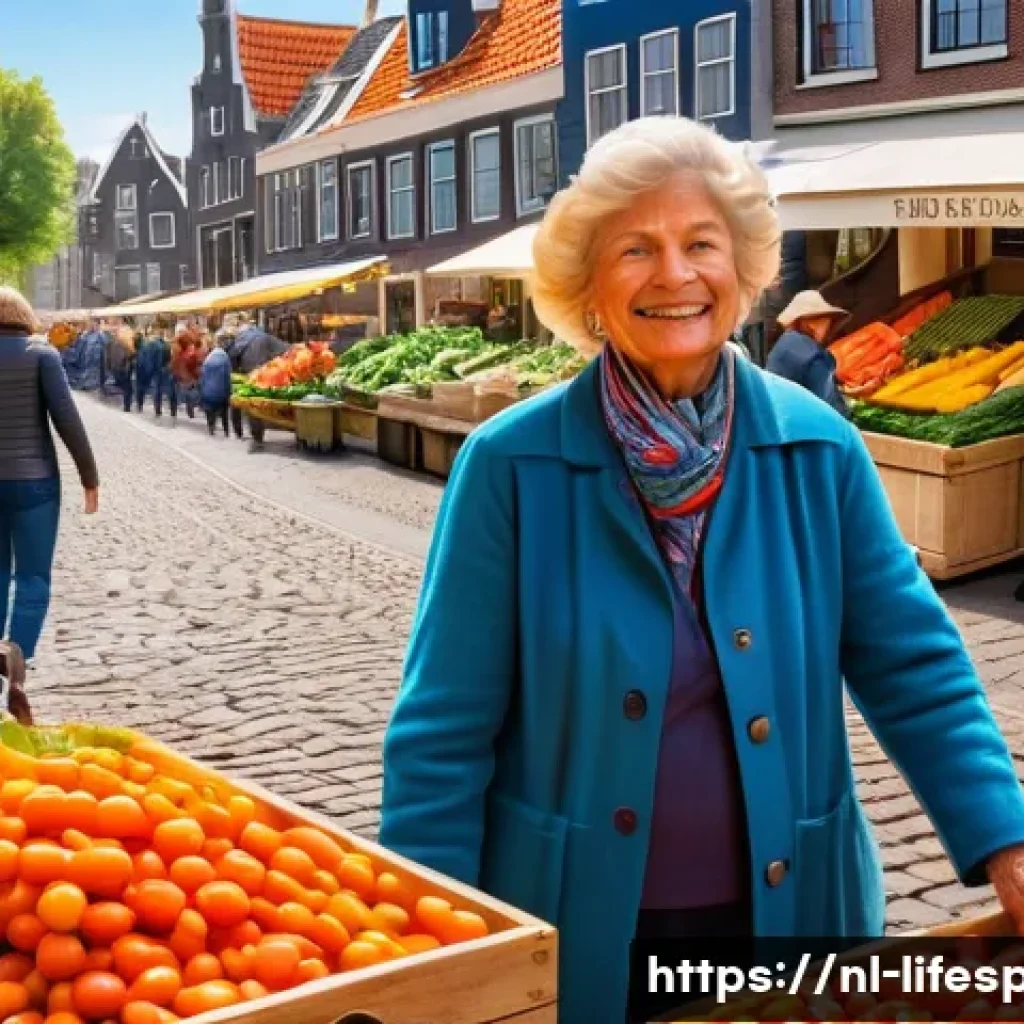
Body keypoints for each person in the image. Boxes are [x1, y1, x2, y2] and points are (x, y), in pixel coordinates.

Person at [377, 116, 1024, 1023]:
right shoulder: (511, 466)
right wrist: (426, 949)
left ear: (744, 271)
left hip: (791, 915)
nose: (675, 275)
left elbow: (914, 664)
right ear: (589, 286)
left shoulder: (817, 444)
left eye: (701, 244)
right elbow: (442, 732)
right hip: (572, 919)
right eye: (636, 248)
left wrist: (1007, 838)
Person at [0, 287, 99, 666]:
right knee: (33, 577)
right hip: (34, 484)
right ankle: (17, 660)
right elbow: (67, 421)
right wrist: (89, 478)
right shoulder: (42, 356)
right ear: (25, 318)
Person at [766, 290, 850, 417]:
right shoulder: (815, 357)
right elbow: (826, 407)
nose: (828, 326)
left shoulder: (783, 345)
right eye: (825, 320)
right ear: (811, 323)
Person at [226, 315, 289, 451]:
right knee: (257, 405)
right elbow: (284, 349)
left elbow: (231, 360)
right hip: (264, 375)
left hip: (245, 376)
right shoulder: (263, 336)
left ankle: (244, 434)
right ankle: (257, 437)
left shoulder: (236, 342)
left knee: (242, 404)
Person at [198, 333, 233, 436]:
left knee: (210, 411)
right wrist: (229, 392)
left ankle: (211, 428)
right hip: (221, 393)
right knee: (224, 413)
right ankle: (226, 430)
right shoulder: (225, 359)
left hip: (208, 392)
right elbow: (227, 377)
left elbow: (203, 377)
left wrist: (202, 390)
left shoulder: (208, 359)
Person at [105, 327, 136, 413]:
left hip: (115, 369)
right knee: (128, 388)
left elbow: (107, 358)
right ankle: (127, 407)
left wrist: (109, 367)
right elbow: (128, 356)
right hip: (124, 369)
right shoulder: (126, 344)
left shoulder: (111, 343)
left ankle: (126, 405)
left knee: (125, 387)